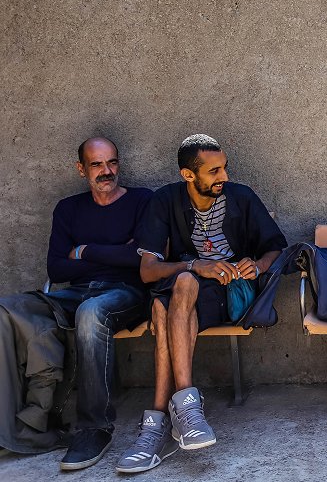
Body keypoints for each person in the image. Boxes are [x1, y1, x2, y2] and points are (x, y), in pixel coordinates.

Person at [116, 134, 286, 473]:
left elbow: (276, 248)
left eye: (224, 168)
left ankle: (155, 426)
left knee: (163, 307)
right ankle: (186, 411)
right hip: (183, 292)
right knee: (173, 293)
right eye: (214, 171)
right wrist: (194, 265)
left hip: (228, 294)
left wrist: (259, 264)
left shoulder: (241, 197)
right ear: (188, 175)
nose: (223, 176)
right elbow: (148, 272)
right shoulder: (164, 201)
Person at [0, 137, 152, 470]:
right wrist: (116, 254)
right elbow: (56, 268)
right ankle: (11, 427)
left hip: (125, 293)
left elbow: (141, 259)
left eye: (112, 162)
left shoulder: (142, 200)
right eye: (96, 164)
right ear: (81, 168)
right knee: (5, 310)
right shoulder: (68, 209)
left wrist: (84, 250)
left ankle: (95, 428)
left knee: (91, 311)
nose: (106, 171)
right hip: (75, 293)